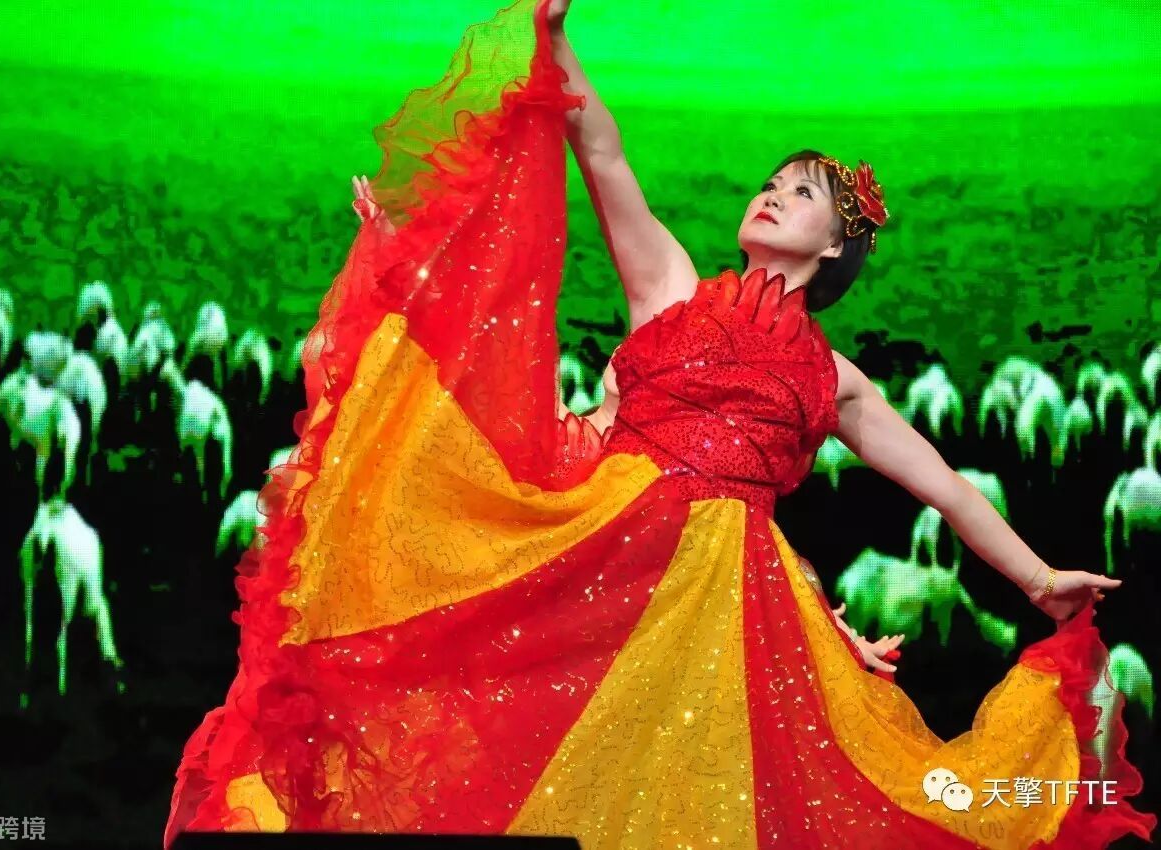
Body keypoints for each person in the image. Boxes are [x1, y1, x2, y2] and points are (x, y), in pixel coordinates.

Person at [164, 1, 1155, 847]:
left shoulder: (835, 379)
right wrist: (553, 37)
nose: (772, 194)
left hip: (731, 610)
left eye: (801, 192)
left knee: (727, 803)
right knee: (514, 739)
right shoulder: (672, 288)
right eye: (771, 182)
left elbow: (943, 487)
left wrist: (1038, 578)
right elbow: (599, 150)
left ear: (834, 246)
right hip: (608, 556)